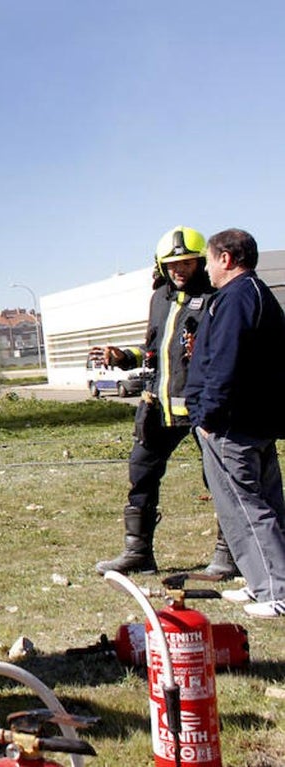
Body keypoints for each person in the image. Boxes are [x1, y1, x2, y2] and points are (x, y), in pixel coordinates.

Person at [90, 226, 235, 576]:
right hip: (158, 407)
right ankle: (138, 553)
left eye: (186, 263)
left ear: (201, 263)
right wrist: (123, 356)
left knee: (219, 481)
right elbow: (154, 350)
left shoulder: (217, 298)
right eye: (172, 264)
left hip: (202, 410)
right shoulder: (159, 298)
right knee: (141, 476)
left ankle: (229, 555)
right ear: (161, 266)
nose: (179, 270)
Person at [184, 228, 285, 618]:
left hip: (232, 425)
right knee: (268, 504)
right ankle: (262, 581)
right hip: (255, 423)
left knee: (245, 508)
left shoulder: (236, 297)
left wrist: (207, 415)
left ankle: (275, 591)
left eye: (209, 260)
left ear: (226, 258)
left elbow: (225, 360)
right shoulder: (255, 294)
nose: (207, 270)